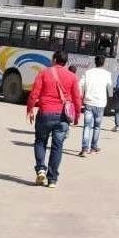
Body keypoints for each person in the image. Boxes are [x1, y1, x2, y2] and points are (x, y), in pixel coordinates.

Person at [27, 51, 82, 188]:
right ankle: (52, 180)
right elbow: (77, 98)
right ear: (66, 62)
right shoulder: (72, 77)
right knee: (57, 147)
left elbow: (34, 93)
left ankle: (41, 169)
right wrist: (76, 117)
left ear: (55, 59)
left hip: (45, 113)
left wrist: (30, 109)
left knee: (40, 141)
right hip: (63, 116)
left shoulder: (44, 73)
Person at [79, 54, 113, 157]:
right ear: (104, 63)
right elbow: (110, 88)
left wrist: (82, 94)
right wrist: (110, 96)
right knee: (97, 127)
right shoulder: (107, 74)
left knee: (87, 126)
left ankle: (85, 149)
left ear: (95, 62)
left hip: (89, 102)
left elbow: (80, 84)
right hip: (101, 103)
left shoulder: (88, 72)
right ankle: (94, 147)